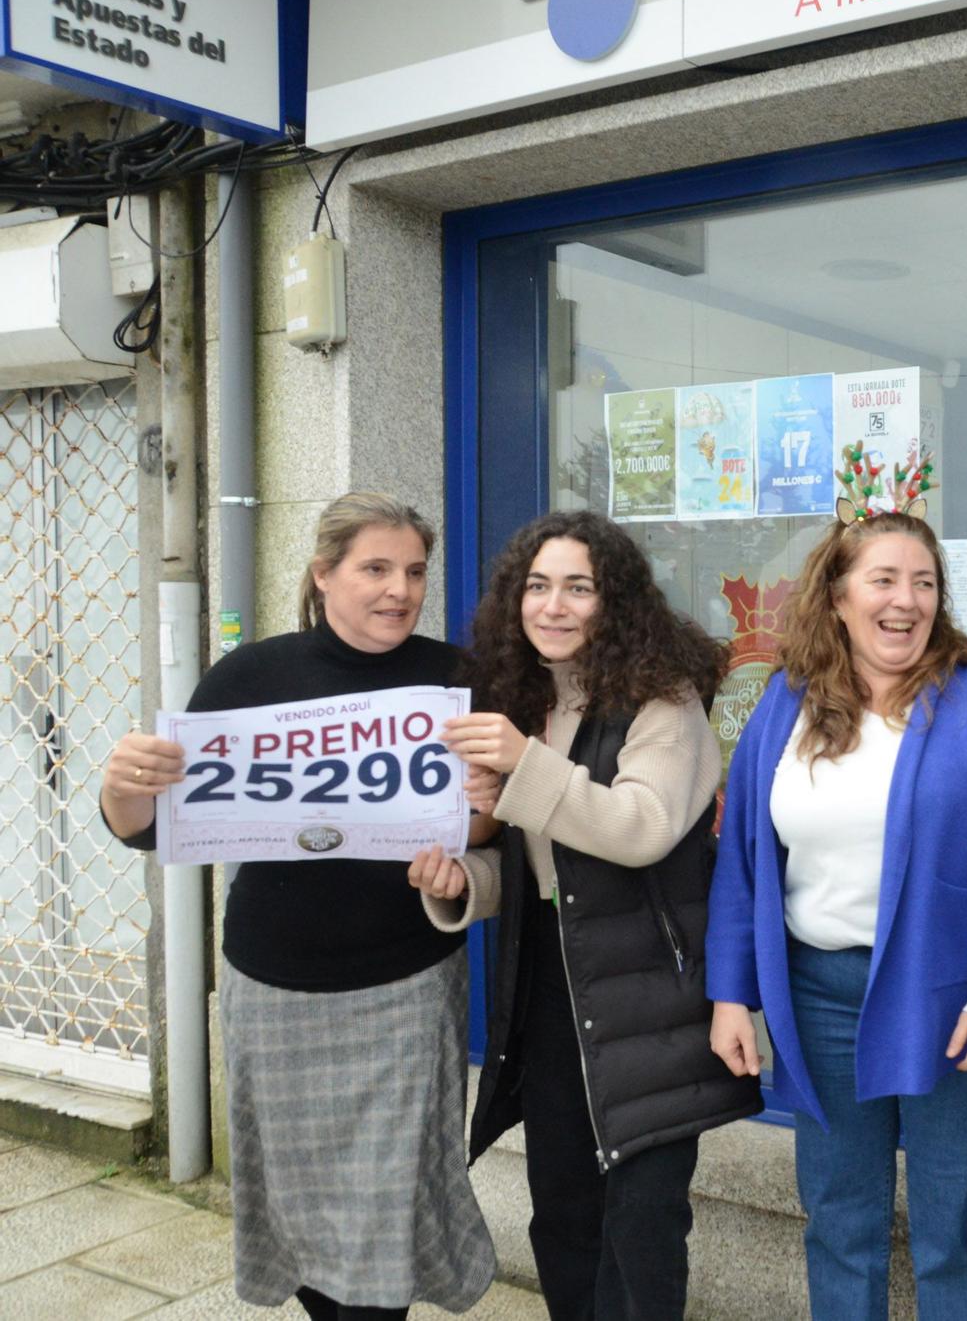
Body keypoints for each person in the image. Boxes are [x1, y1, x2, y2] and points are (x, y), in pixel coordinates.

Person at [100, 493, 496, 1320]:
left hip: (404, 991)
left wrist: (467, 845)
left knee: (385, 1223)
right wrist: (121, 789)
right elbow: (150, 826)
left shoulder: (455, 680)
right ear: (324, 575)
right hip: (274, 993)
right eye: (376, 568)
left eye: (415, 570)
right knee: (304, 1210)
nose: (400, 589)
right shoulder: (247, 677)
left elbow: (489, 820)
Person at [706, 507, 967, 1319]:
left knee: (955, 1226)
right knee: (838, 1217)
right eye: (884, 579)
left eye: (924, 582)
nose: (906, 600)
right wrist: (733, 993)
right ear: (837, 596)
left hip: (953, 995)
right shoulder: (785, 702)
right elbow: (745, 858)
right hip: (817, 993)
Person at [408, 510, 762, 1321]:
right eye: (537, 586)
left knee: (641, 1229)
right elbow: (548, 872)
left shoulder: (662, 702)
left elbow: (637, 830)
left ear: (616, 602)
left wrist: (522, 765)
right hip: (556, 1002)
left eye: (578, 587)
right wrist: (461, 881)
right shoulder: (529, 704)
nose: (553, 606)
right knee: (561, 1213)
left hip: (653, 1009)